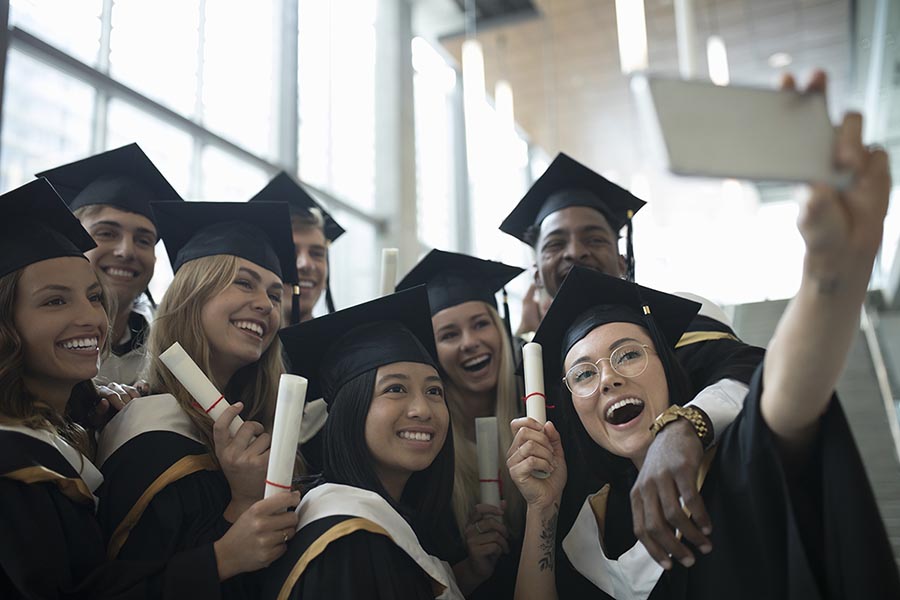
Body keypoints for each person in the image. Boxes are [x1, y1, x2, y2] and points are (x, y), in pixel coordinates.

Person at [507, 104, 900, 598]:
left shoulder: (731, 465)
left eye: (629, 354)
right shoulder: (582, 528)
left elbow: (777, 393)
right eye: (583, 374)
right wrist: (542, 510)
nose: (606, 378)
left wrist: (833, 269)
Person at [500, 149, 765, 564]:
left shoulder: (682, 317)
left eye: (594, 238)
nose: (576, 252)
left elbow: (751, 370)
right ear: (535, 272)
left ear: (622, 260)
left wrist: (683, 428)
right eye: (555, 243)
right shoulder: (529, 371)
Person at [0, 179, 213, 598]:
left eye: (94, 297)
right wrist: (220, 559)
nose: (90, 317)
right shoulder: (13, 470)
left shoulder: (66, 431)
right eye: (55, 301)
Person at [96, 201, 303, 598]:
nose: (265, 304)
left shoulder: (260, 427)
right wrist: (241, 505)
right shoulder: (149, 433)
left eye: (275, 295)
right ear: (193, 292)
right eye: (244, 282)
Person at [263, 286, 463, 599]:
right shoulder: (345, 540)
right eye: (395, 389)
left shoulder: (402, 525)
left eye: (434, 391)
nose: (422, 409)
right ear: (349, 410)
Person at [397, 249, 525, 597]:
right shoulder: (424, 447)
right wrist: (470, 568)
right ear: (432, 351)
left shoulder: (541, 411)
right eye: (449, 334)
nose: (470, 343)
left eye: (481, 324)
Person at [37, 143, 183, 387]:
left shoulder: (163, 357)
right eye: (106, 233)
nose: (126, 251)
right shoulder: (27, 344)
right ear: (70, 239)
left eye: (143, 240)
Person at [248, 171, 345, 324]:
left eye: (317, 253)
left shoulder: (342, 346)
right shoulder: (230, 346)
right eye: (290, 251)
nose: (306, 264)